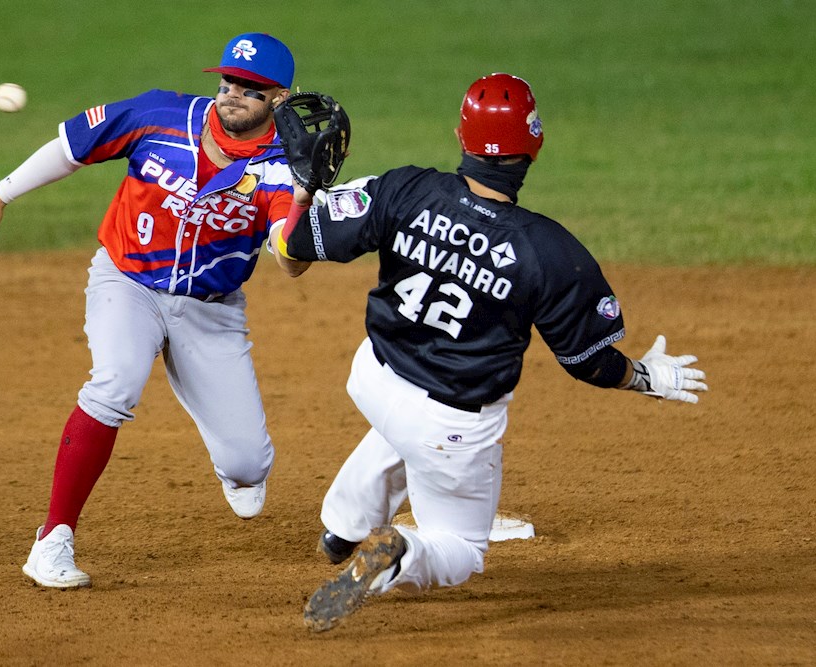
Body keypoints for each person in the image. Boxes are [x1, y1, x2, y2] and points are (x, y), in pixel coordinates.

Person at [269, 73, 709, 631]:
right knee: (460, 546)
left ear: (461, 136)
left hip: (374, 378)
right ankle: (399, 552)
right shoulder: (550, 251)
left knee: (401, 431)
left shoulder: (404, 189)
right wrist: (645, 376)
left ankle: (342, 528)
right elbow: (589, 363)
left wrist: (304, 187)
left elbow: (297, 243)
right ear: (534, 146)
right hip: (450, 425)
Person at [0, 32, 313, 589]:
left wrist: (305, 200)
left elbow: (290, 266)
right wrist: (0, 194)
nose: (233, 94)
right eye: (228, 82)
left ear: (279, 99)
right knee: (114, 385)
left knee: (249, 465)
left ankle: (235, 464)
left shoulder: (284, 168)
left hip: (210, 310)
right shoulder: (161, 115)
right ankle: (53, 540)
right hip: (128, 284)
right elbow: (71, 146)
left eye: (251, 88)